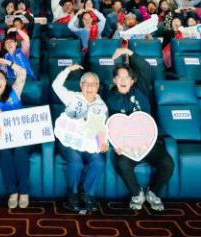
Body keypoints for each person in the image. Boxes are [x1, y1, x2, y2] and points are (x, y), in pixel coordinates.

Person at [106, 47, 174, 211]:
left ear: (132, 80)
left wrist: (128, 52)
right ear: (114, 80)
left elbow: (146, 68)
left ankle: (153, 193)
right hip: (127, 146)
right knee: (122, 164)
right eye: (119, 77)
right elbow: (108, 125)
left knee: (167, 163)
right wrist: (115, 144)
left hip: (147, 143)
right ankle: (137, 193)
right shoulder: (109, 97)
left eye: (127, 77)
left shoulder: (141, 89)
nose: (123, 80)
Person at [52, 64, 108, 213]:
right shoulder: (72, 97)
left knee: (99, 162)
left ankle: (88, 194)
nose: (89, 87)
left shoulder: (102, 106)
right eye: (86, 84)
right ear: (81, 85)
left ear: (97, 87)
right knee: (76, 163)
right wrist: (68, 70)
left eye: (93, 84)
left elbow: (102, 128)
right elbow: (56, 85)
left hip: (88, 143)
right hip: (69, 142)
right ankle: (73, 195)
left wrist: (104, 142)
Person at [0, 63, 30, 208]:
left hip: (21, 137)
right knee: (4, 153)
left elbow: (22, 73)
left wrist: (8, 63)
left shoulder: (15, 91)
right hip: (2, 140)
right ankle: (13, 192)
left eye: (1, 78)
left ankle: (24, 191)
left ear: (6, 81)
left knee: (19, 150)